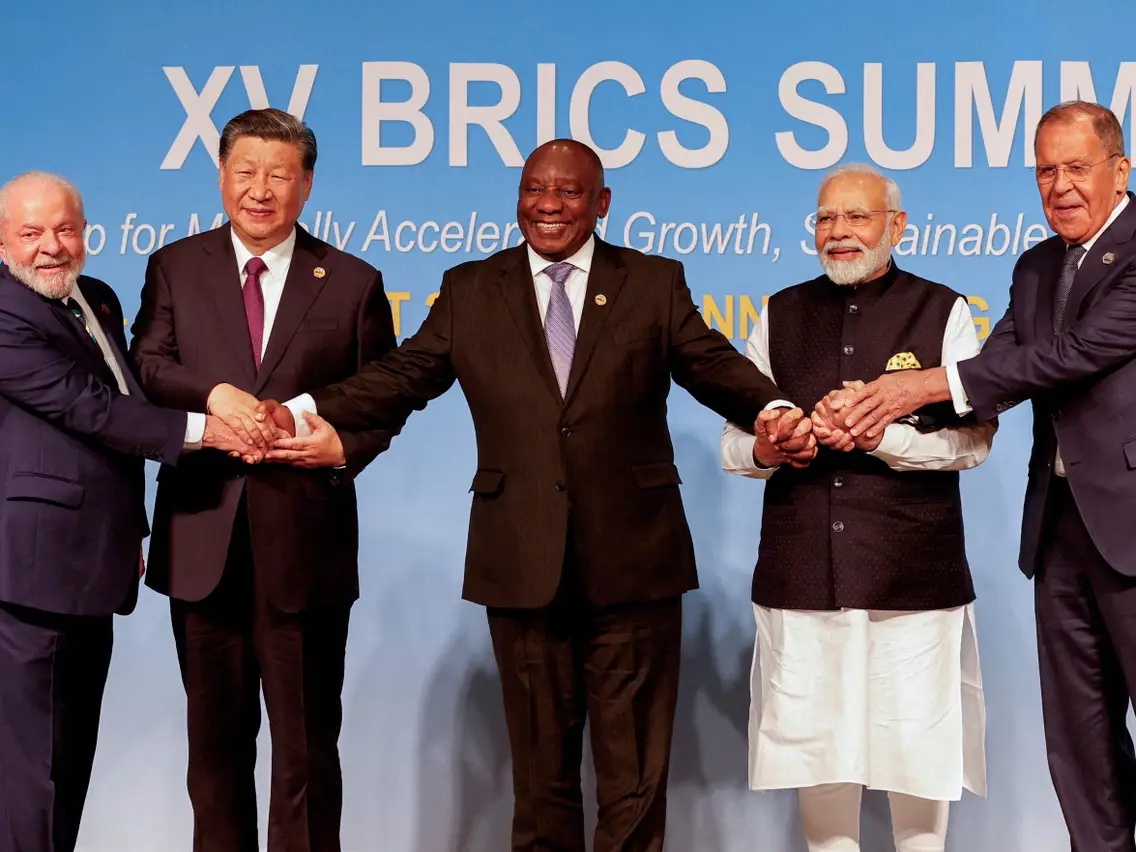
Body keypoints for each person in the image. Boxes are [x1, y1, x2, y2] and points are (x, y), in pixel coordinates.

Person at [260, 138, 815, 851]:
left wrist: (772, 408)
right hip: (520, 560)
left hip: (635, 562)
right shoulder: (471, 288)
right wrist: (303, 409)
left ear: (602, 203)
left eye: (568, 192)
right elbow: (401, 377)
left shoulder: (652, 282)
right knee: (540, 777)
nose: (548, 205)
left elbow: (711, 364)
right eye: (533, 189)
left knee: (634, 780)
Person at [834, 101, 1136, 851]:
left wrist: (921, 384)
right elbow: (997, 367)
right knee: (1079, 738)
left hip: (1131, 526)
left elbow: (1071, 356)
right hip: (1060, 529)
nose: (1061, 186)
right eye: (1046, 171)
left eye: (1077, 168)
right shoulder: (1036, 265)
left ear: (1120, 169)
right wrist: (884, 409)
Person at [128, 108, 399, 852]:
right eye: (245, 171)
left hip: (305, 550)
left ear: (307, 185)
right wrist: (214, 394)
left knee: (307, 751)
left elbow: (383, 397)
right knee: (214, 754)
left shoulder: (352, 282)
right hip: (202, 541)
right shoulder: (175, 267)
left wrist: (340, 448)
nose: (260, 190)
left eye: (280, 175)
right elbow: (146, 364)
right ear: (221, 176)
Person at [720, 164, 995, 852]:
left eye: (857, 217)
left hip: (915, 580)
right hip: (802, 577)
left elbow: (974, 443)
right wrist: (772, 446)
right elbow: (734, 443)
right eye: (826, 218)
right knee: (818, 760)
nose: (838, 232)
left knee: (920, 758)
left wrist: (883, 437)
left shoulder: (942, 310)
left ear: (896, 226)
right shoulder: (780, 313)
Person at [0, 172, 254, 852]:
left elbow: (128, 394)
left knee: (69, 759)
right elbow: (86, 408)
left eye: (65, 229)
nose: (51, 246)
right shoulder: (2, 310)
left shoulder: (98, 297)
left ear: (86, 231)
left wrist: (127, 529)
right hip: (31, 570)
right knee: (30, 772)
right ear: (2, 241)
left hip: (95, 560)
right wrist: (209, 430)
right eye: (31, 233)